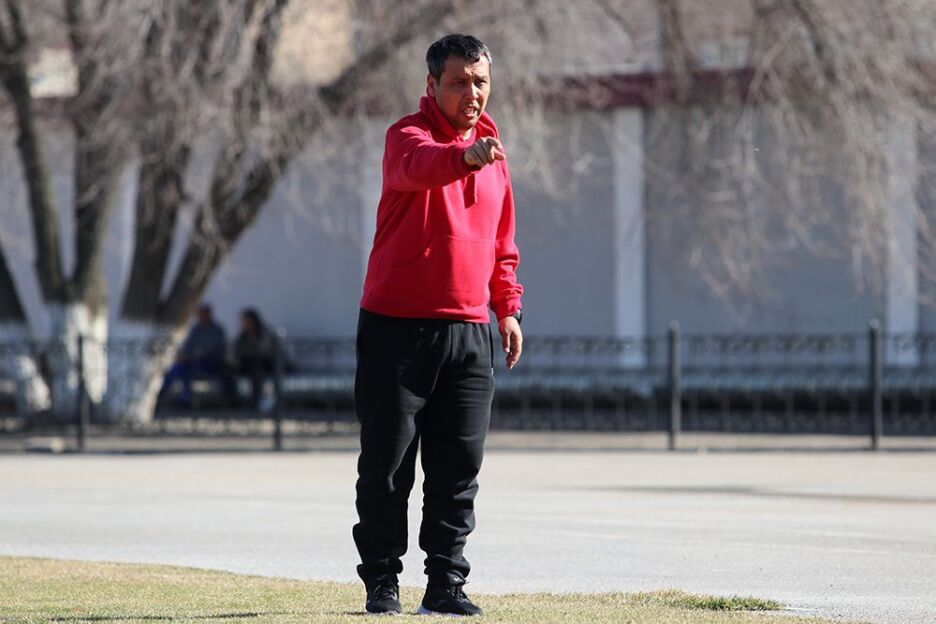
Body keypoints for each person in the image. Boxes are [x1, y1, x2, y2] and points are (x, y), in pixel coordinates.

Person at [353, 34, 524, 616]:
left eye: (480, 82)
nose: (472, 93)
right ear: (431, 85)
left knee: (457, 470)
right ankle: (381, 580)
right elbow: (418, 169)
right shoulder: (406, 137)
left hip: (470, 332)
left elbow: (503, 244)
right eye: (458, 83)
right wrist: (463, 158)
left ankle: (446, 584)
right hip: (396, 328)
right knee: (387, 467)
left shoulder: (494, 153)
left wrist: (507, 308)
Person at [160, 304, 227, 405]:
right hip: (191, 362)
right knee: (178, 368)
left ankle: (186, 397)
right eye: (200, 315)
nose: (202, 317)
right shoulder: (196, 329)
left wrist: (193, 356)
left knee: (187, 367)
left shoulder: (217, 330)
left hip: (211, 362)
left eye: (204, 314)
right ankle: (166, 393)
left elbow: (214, 348)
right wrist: (184, 355)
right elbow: (188, 346)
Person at [232, 308, 281, 410]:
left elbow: (265, 352)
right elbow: (237, 351)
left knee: (256, 369)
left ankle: (256, 402)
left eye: (245, 321)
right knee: (227, 371)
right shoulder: (242, 336)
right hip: (247, 365)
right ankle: (232, 403)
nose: (243, 324)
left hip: (264, 365)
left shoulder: (264, 333)